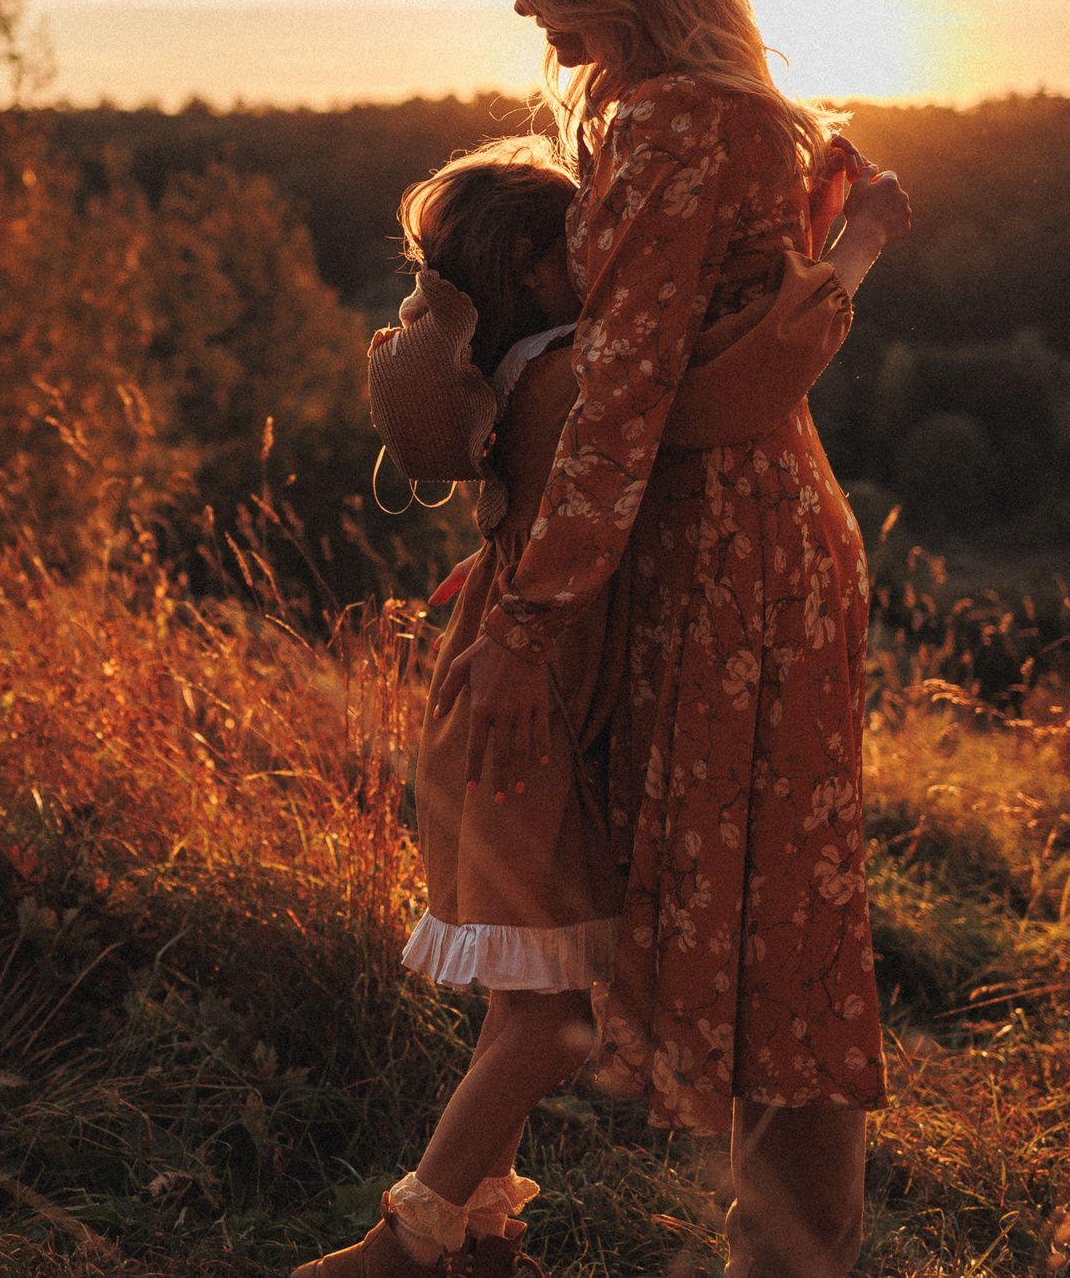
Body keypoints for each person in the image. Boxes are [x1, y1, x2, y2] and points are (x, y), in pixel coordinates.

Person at [301, 112, 907, 1278]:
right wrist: (856, 251)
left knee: (526, 988)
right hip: (530, 720)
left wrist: (806, 219)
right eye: (598, 233)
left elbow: (710, 322)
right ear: (539, 269)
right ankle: (410, 1238)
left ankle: (476, 1235)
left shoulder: (526, 370)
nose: (630, 249)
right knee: (552, 1012)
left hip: (523, 712)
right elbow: (740, 380)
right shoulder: (578, 379)